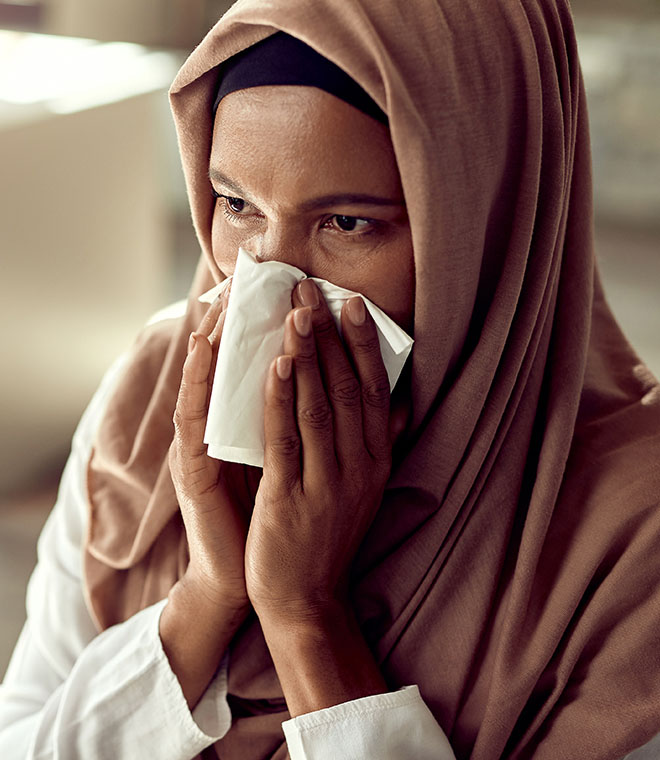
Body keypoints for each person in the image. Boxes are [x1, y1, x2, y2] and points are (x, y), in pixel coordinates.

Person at [2, 0, 660, 758]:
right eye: (237, 205)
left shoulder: (629, 537)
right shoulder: (155, 395)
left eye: (347, 223)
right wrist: (207, 596)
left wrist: (306, 618)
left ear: (488, 223)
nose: (267, 286)